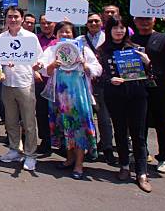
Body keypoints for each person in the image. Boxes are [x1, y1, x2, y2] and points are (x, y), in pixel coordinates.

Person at [98, 16, 153, 193]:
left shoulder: (135, 48)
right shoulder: (103, 50)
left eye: (122, 28)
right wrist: (109, 79)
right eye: (115, 28)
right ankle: (124, 166)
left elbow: (150, 75)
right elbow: (100, 75)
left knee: (138, 134)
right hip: (115, 96)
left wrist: (147, 62)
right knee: (120, 131)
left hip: (137, 95)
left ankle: (142, 172)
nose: (119, 31)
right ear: (109, 30)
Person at [40, 21, 101, 180]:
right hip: (59, 96)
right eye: (61, 32)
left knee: (78, 128)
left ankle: (79, 164)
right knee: (65, 127)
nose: (65, 35)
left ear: (73, 33)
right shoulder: (53, 49)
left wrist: (84, 64)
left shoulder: (82, 49)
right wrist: (52, 65)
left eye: (68, 32)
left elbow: (97, 69)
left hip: (78, 96)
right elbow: (43, 69)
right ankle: (69, 158)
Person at [132, 15, 165, 174]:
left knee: (163, 124)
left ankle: (164, 158)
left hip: (161, 88)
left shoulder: (163, 37)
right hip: (137, 87)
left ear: (154, 19)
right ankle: (142, 154)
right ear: (134, 21)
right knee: (139, 124)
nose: (144, 22)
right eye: (140, 19)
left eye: (148, 18)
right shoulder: (130, 40)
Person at [0, 7, 43, 172]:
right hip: (7, 84)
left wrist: (38, 66)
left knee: (29, 122)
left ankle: (30, 155)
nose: (13, 20)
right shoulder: (1, 38)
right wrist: (0, 69)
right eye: (10, 17)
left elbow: (40, 58)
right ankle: (15, 149)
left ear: (22, 19)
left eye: (16, 17)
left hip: (25, 83)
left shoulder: (30, 37)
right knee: (11, 121)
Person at [76, 12, 115, 165]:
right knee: (85, 117)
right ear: (86, 24)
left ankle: (107, 148)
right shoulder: (79, 40)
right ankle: (89, 147)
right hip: (83, 83)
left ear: (101, 23)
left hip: (102, 82)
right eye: (90, 21)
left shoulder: (108, 38)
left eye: (96, 21)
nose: (93, 24)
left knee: (104, 118)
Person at [34, 14, 55, 154]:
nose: (46, 25)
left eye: (48, 23)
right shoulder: (35, 39)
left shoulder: (60, 39)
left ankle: (62, 143)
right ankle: (45, 141)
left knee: (58, 113)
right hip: (40, 81)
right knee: (41, 113)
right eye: (43, 23)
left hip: (59, 84)